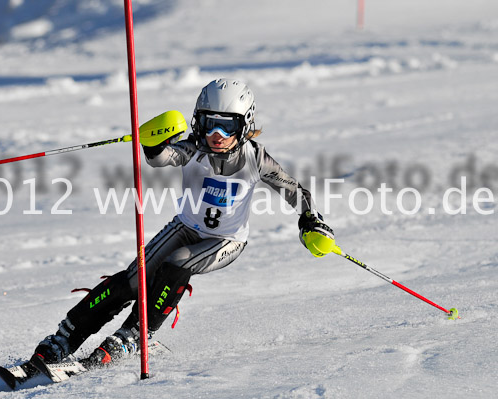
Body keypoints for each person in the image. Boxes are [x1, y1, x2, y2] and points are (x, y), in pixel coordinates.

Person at [32, 78, 335, 367]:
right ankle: (65, 337)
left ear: (244, 126)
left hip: (225, 241)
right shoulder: (193, 148)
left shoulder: (255, 158)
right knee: (133, 279)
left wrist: (310, 220)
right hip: (185, 227)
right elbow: (162, 158)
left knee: (177, 263)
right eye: (208, 122)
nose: (216, 133)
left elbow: (295, 191)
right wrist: (152, 143)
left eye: (226, 125)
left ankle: (134, 335)